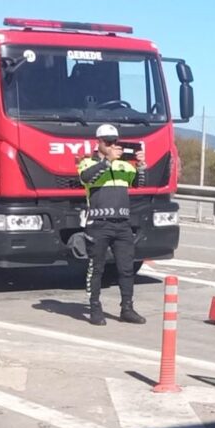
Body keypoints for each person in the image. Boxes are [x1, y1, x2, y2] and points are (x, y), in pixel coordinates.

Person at [77, 123, 147, 326]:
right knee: (96, 267)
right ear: (98, 142)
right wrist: (107, 161)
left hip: (123, 223)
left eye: (114, 142)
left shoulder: (124, 164)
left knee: (126, 268)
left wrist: (141, 165)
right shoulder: (88, 162)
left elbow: (139, 183)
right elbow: (86, 178)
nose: (112, 145)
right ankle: (94, 308)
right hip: (98, 223)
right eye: (107, 142)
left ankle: (127, 308)